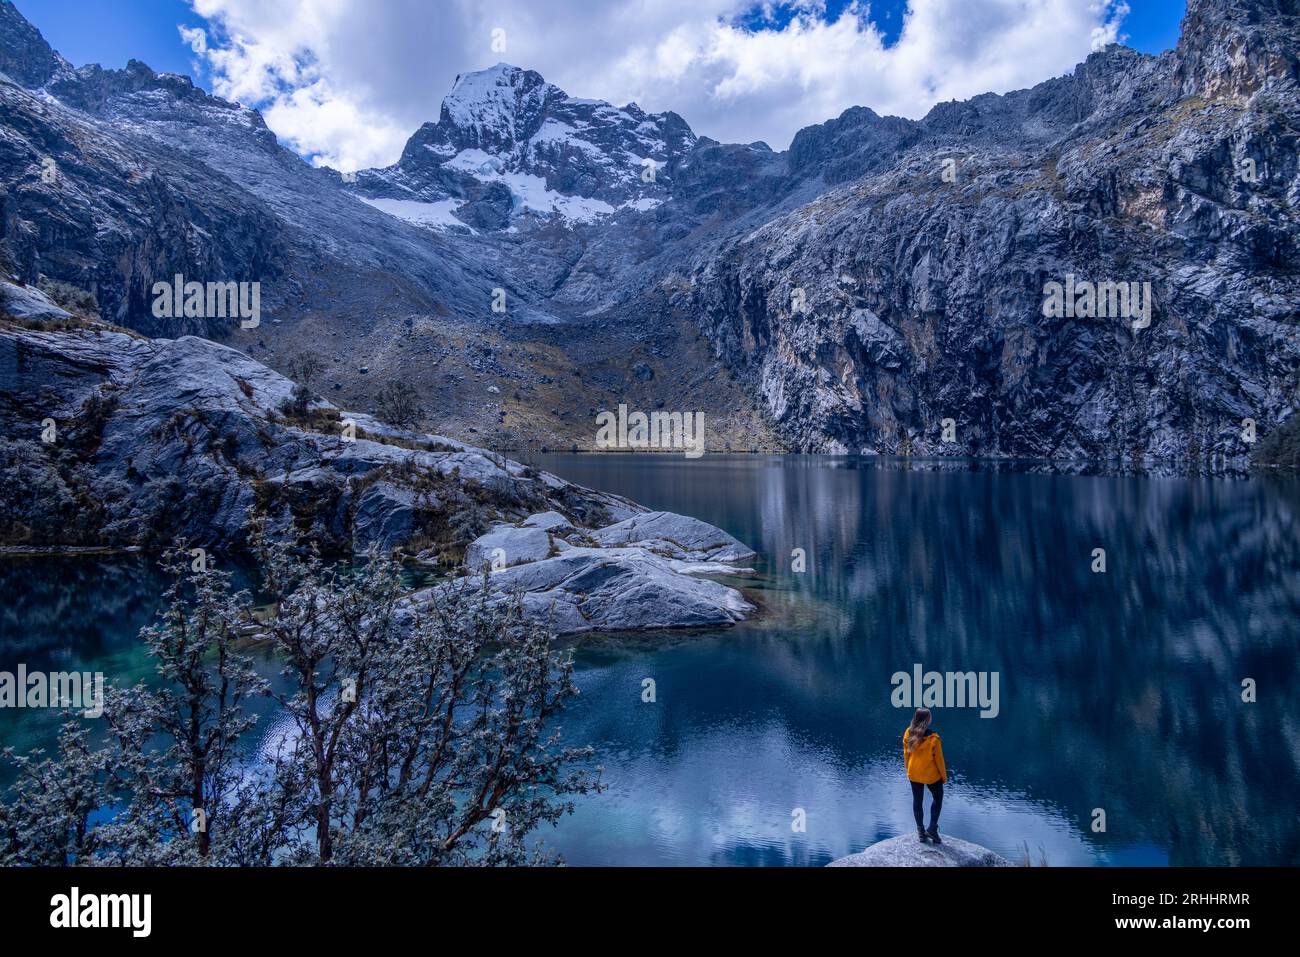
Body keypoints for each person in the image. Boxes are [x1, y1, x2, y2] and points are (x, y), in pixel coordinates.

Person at [902, 707, 947, 844]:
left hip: (913, 773)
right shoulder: (934, 738)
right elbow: (939, 760)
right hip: (930, 775)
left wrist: (908, 770)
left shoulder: (908, 733)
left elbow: (906, 754)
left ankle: (921, 832)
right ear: (928, 720)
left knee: (917, 800)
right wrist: (943, 777)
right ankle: (932, 829)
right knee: (938, 797)